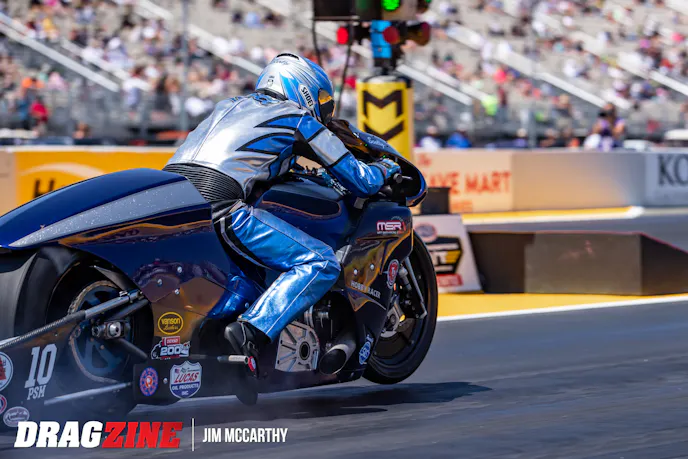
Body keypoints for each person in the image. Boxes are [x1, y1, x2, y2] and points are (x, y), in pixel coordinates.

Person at [163, 53, 400, 375]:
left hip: (173, 200)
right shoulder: (296, 118)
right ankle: (249, 333)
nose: (324, 111)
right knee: (320, 262)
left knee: (243, 275)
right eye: (322, 101)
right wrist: (385, 167)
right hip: (220, 203)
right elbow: (362, 180)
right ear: (304, 90)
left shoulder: (228, 105)